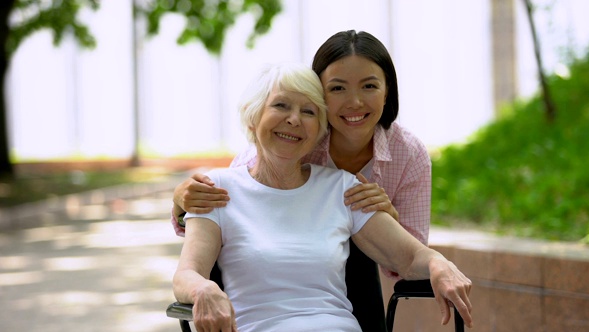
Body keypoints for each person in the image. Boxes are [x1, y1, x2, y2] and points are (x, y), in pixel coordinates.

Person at [174, 62, 472, 332]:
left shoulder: (342, 188)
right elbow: (187, 273)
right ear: (253, 118)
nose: (294, 119)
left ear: (320, 131)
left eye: (309, 112)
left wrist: (438, 264)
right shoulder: (217, 190)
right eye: (281, 105)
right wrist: (202, 289)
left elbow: (409, 256)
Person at [171, 31, 432, 281]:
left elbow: (409, 264)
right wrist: (182, 205)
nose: (354, 101)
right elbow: (229, 212)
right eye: (338, 88)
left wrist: (389, 222)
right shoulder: (292, 140)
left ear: (387, 92)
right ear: (318, 94)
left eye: (369, 86)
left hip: (350, 289)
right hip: (283, 277)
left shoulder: (409, 155)